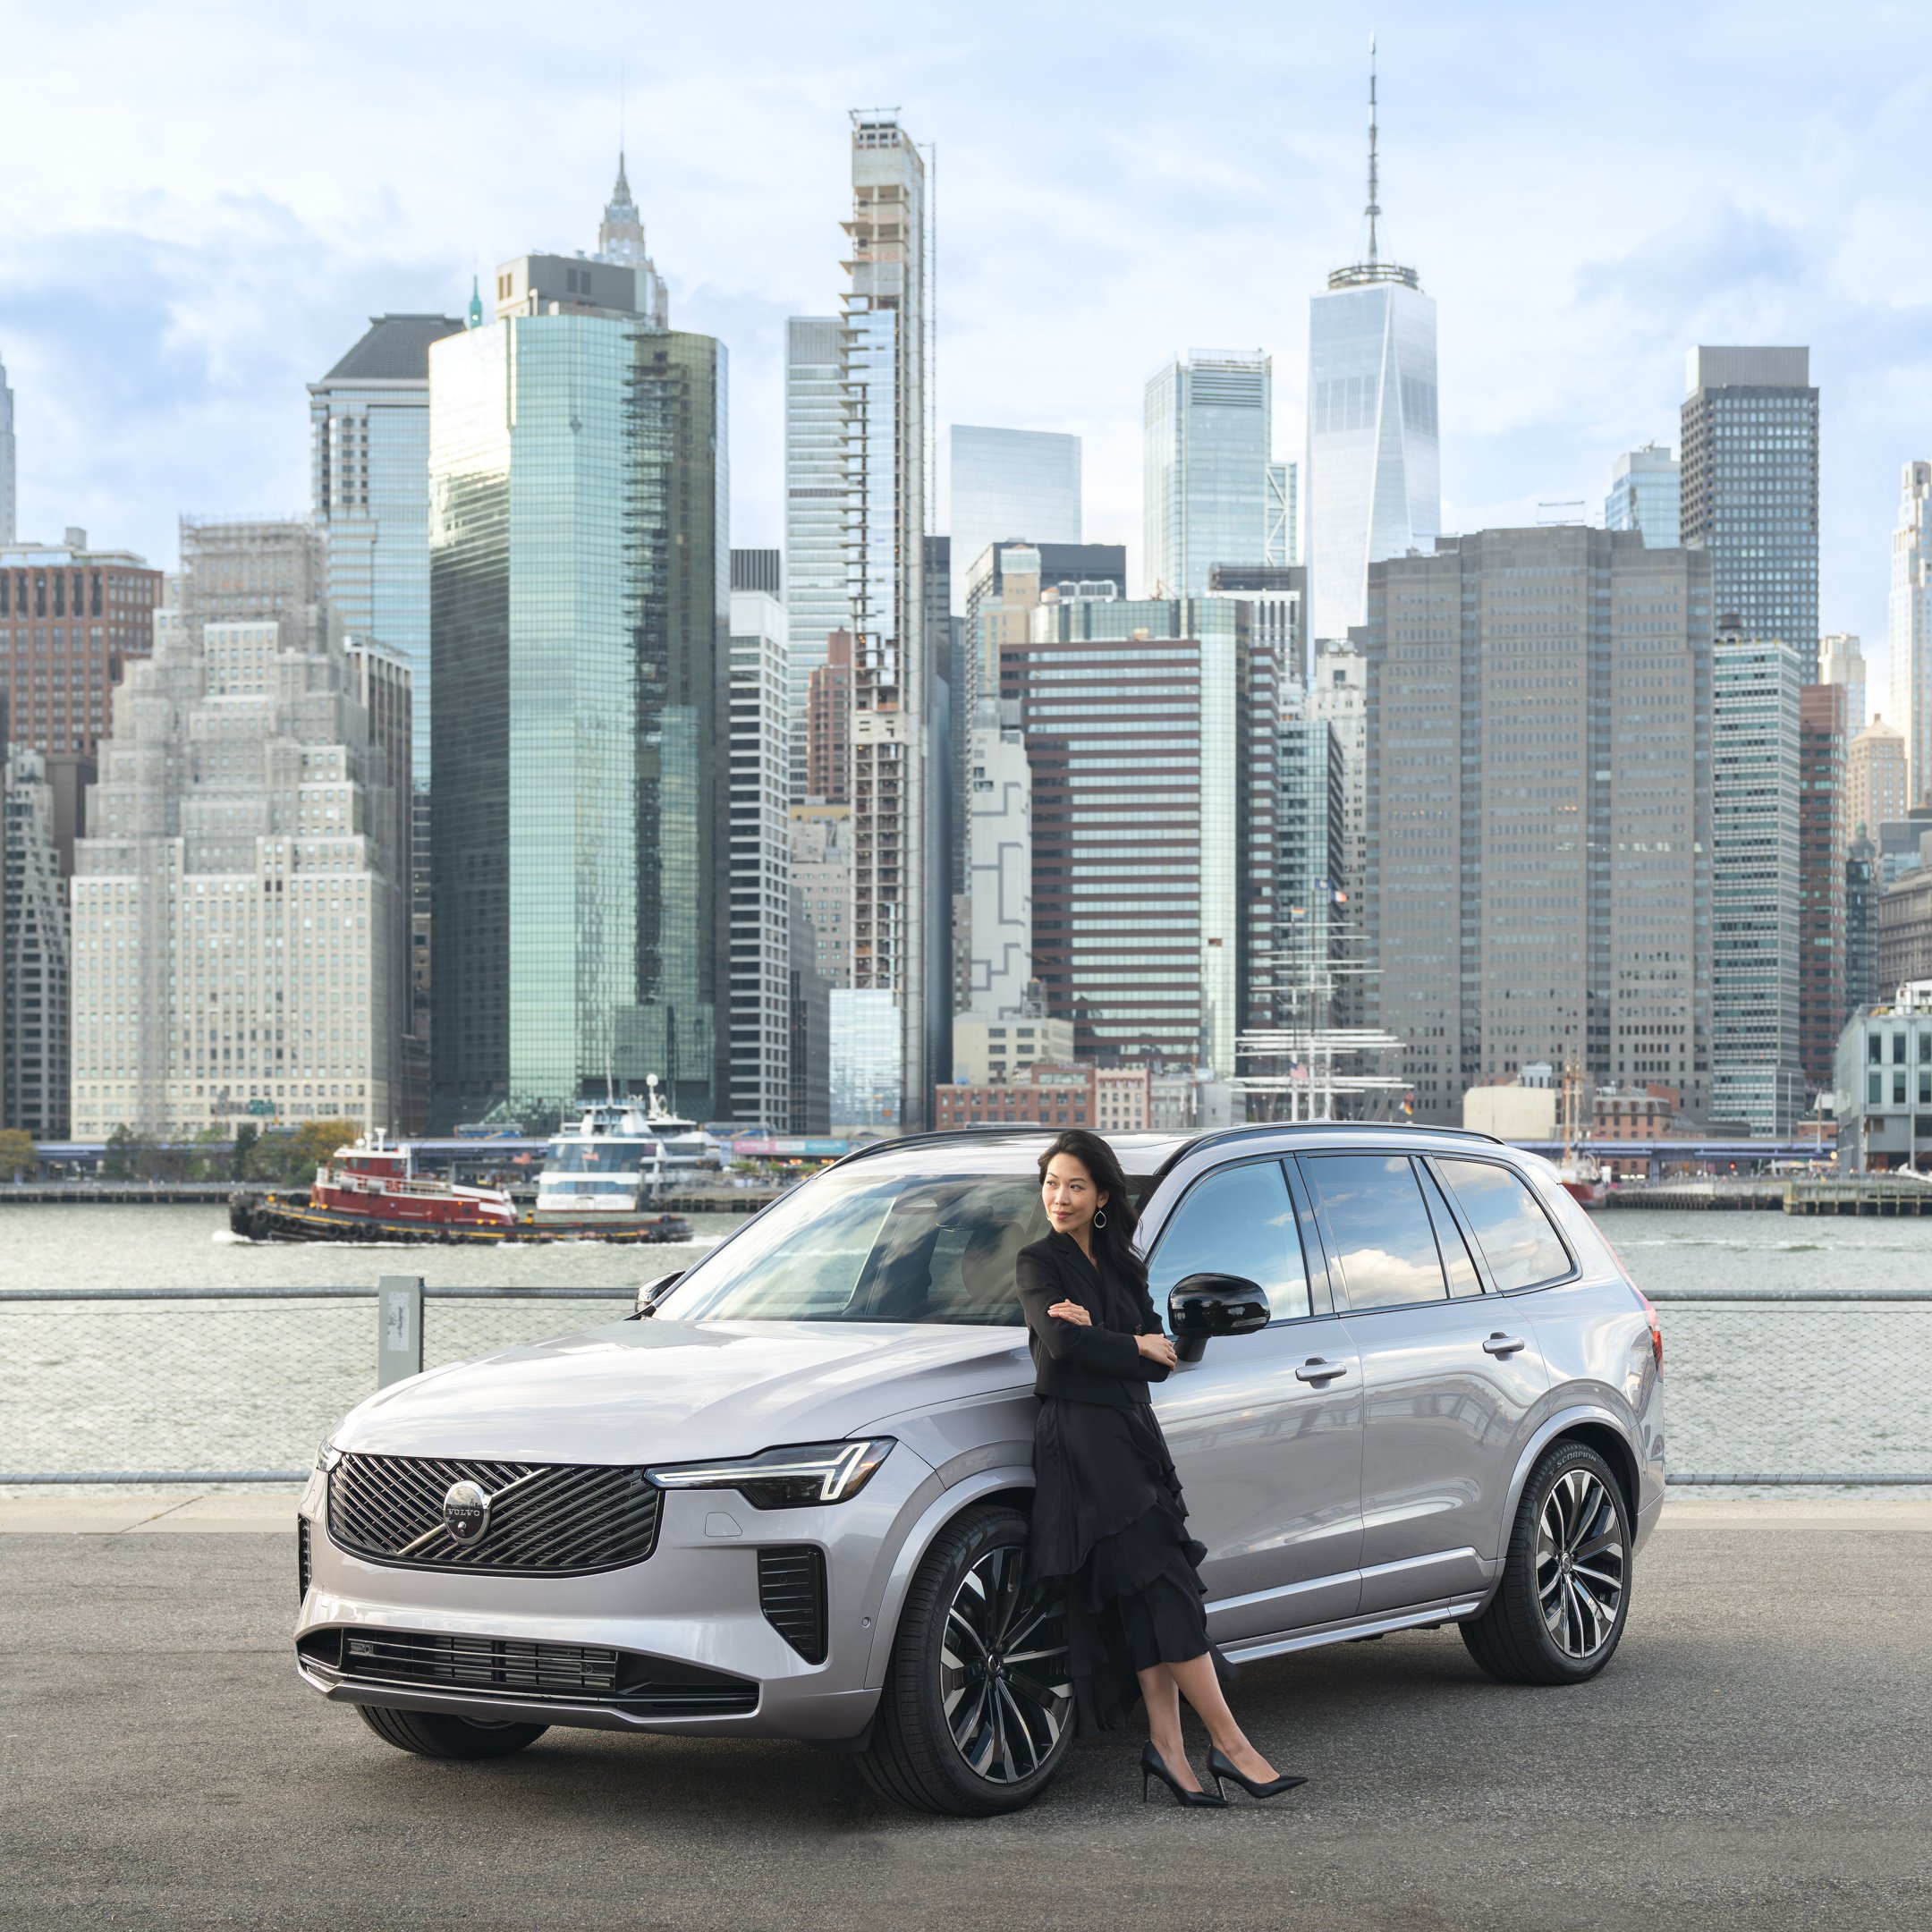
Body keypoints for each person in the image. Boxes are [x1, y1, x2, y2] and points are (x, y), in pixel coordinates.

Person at [1015, 1128, 1307, 1808]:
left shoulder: (1123, 1266)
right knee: (1165, 1585)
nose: (1060, 1196)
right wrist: (1121, 1342)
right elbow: (1058, 1347)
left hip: (1133, 1434)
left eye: (1076, 1185)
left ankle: (1170, 1753)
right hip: (1083, 1442)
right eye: (1052, 1183)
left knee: (1151, 1592)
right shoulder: (1038, 1262)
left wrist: (1108, 1339)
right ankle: (1232, 1746)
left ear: (1104, 1196)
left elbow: (1164, 1357)